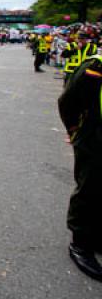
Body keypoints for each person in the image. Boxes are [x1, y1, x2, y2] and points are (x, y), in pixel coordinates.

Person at [58, 54, 102, 282]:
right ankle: (81, 243)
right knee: (91, 188)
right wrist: (74, 131)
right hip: (95, 139)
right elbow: (68, 102)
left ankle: (96, 235)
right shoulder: (95, 66)